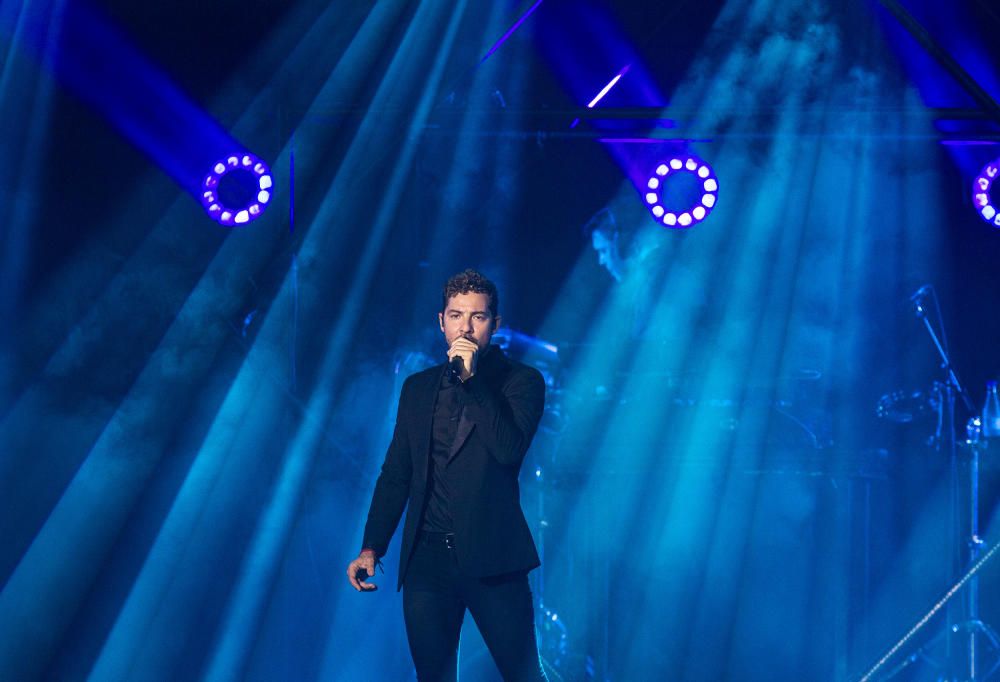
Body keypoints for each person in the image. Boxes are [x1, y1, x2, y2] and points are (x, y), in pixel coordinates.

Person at [346, 269, 548, 682]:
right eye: (457, 316)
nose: (466, 327)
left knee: (524, 675)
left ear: (496, 323)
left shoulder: (521, 382)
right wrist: (372, 546)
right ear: (442, 322)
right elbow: (397, 471)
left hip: (493, 557)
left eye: (478, 317)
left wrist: (472, 381)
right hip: (427, 559)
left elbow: (508, 449)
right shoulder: (417, 389)